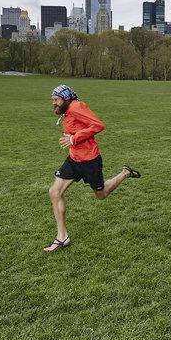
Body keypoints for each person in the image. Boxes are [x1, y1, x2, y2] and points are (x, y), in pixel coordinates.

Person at [44, 84, 141, 252]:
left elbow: (98, 125)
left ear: (66, 99)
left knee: (101, 194)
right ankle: (62, 237)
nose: (54, 103)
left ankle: (124, 173)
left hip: (89, 161)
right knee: (54, 192)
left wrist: (74, 139)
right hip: (74, 159)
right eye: (53, 100)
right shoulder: (67, 110)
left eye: (56, 100)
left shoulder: (76, 107)